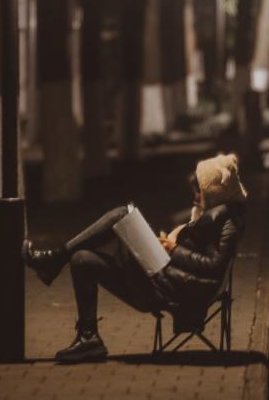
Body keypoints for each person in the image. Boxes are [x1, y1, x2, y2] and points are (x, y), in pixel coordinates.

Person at [22, 153, 247, 363]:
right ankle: (89, 338)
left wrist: (173, 249)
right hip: (164, 280)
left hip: (169, 291)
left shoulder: (226, 223)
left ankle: (54, 259)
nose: (195, 196)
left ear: (215, 191)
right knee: (82, 259)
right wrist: (166, 245)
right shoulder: (213, 218)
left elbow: (214, 266)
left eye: (200, 191)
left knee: (123, 215)